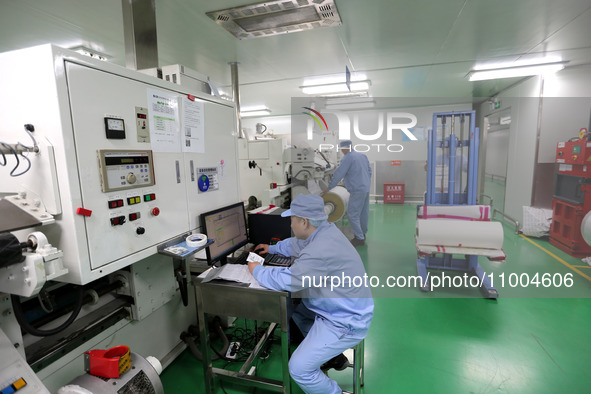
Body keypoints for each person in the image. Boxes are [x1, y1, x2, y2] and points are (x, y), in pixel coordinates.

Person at [248, 194, 374, 394]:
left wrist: (256, 270)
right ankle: (330, 356)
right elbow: (297, 244)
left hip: (346, 321)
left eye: (292, 220)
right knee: (297, 308)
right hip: (339, 306)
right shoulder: (324, 231)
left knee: (298, 369)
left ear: (304, 221)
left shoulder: (321, 249)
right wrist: (272, 248)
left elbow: (289, 280)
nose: (291, 225)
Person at [325, 140, 372, 247]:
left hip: (357, 190)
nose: (341, 151)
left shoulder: (347, 158)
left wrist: (329, 187)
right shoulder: (362, 156)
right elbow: (369, 171)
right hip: (365, 188)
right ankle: (363, 233)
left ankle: (359, 238)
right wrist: (365, 182)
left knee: (353, 214)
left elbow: (338, 174)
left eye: (341, 149)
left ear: (344, 148)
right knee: (364, 213)